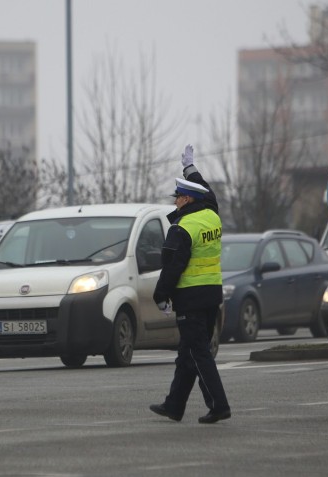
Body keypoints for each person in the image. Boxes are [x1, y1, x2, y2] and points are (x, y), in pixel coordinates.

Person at [149, 144, 231, 424]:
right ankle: (175, 405)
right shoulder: (212, 215)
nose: (175, 203)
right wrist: (189, 168)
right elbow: (206, 190)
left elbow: (173, 267)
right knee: (188, 353)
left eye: (178, 198)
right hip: (211, 296)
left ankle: (218, 404)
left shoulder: (182, 228)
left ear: (186, 200)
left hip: (190, 299)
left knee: (198, 354)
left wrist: (161, 295)